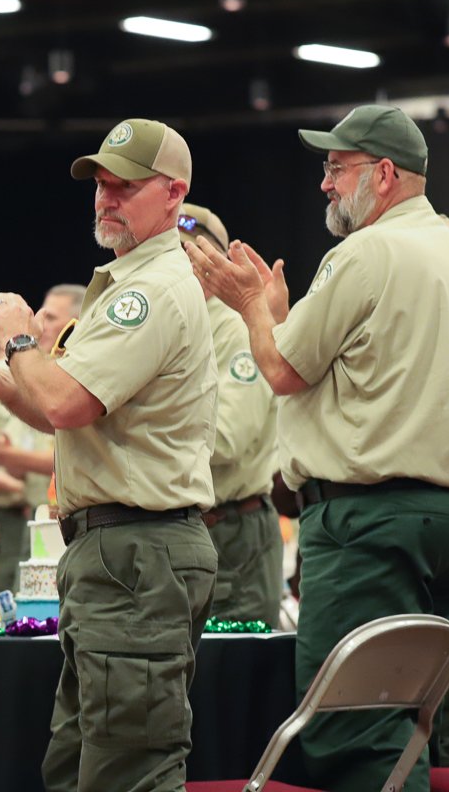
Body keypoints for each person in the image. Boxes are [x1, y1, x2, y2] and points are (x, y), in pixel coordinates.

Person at [186, 104, 449, 792]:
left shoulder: (364, 252)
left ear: (383, 174)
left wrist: (249, 309)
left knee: (356, 728)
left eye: (336, 167)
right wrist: (275, 316)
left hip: (376, 522)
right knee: (437, 717)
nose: (324, 183)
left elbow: (281, 372)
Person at [0, 118, 218, 792]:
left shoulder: (150, 290)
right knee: (77, 763)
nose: (106, 199)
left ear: (174, 193)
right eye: (100, 185)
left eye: (124, 186)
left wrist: (18, 342)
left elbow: (64, 405)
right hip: (116, 551)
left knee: (129, 767)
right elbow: (69, 411)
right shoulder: (128, 284)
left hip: (138, 551)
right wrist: (0, 381)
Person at [178, 203, 282, 627]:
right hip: (186, 533)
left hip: (230, 534)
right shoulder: (178, 325)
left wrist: (136, 422)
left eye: (189, 254)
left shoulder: (237, 329)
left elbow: (226, 438)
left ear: (214, 262)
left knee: (232, 677)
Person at [0, 284, 83, 592]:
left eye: (51, 318)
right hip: (8, 516)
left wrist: (11, 458)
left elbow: (77, 449)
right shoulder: (12, 368)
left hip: (62, 519)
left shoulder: (76, 379)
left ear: (77, 325)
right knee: (5, 609)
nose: (39, 323)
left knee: (49, 614)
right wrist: (5, 479)